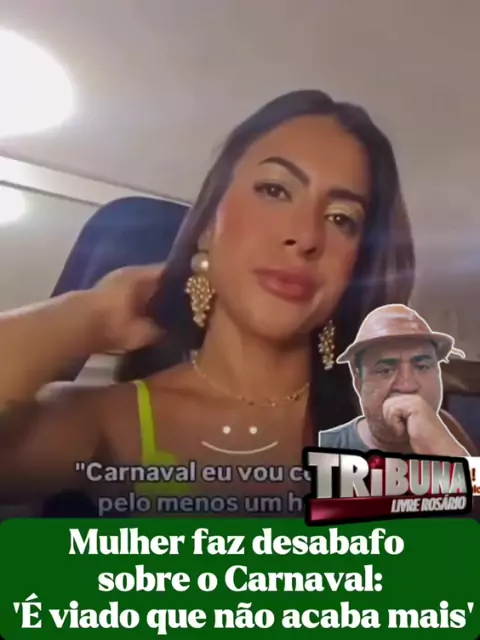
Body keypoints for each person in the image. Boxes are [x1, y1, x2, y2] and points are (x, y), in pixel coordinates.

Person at [0, 90, 471, 515]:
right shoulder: (108, 420)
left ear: (354, 267)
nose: (306, 236)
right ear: (208, 225)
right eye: (274, 190)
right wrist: (91, 314)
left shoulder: (417, 438)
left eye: (341, 218)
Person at [319, 304, 475, 455]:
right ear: (358, 380)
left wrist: (447, 449)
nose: (407, 386)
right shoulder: (323, 446)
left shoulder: (450, 430)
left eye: (422, 367)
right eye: (385, 370)